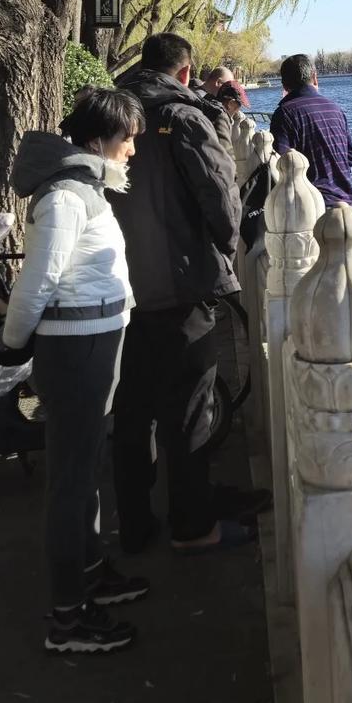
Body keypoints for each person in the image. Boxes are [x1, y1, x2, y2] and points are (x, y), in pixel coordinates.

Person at [0, 88, 147, 656]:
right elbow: (37, 282)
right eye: (127, 137)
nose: (132, 149)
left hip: (95, 344)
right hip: (75, 349)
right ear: (97, 139)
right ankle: (68, 617)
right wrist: (13, 344)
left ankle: (90, 574)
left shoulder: (87, 188)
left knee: (86, 469)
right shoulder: (66, 195)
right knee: (70, 480)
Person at [110, 32, 269, 555]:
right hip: (180, 284)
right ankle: (192, 524)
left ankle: (137, 524)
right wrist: (225, 254)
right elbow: (221, 203)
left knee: (133, 409)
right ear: (186, 72)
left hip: (119, 285)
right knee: (189, 406)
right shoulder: (183, 117)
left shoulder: (107, 111)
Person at [269, 54, 352, 206]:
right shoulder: (336, 109)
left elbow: (281, 167)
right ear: (315, 77)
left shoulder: (284, 114)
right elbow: (351, 160)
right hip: (347, 206)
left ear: (284, 85)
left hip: (311, 209)